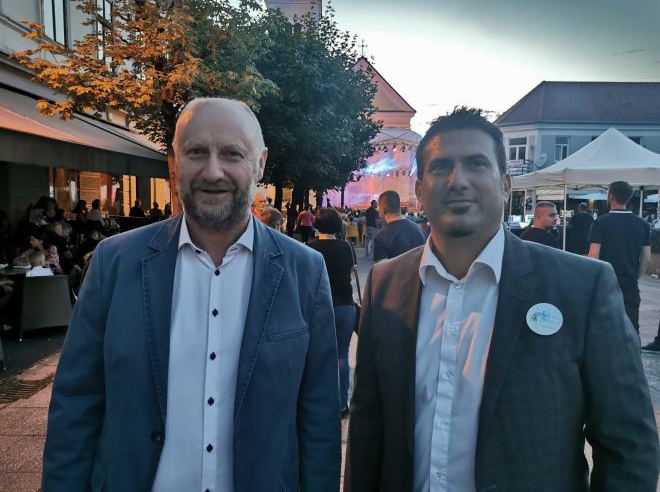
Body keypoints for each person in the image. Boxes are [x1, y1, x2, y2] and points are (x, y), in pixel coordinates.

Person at [346, 107, 659, 492]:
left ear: (505, 185)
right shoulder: (386, 284)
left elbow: (628, 444)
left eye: (476, 164)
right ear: (420, 190)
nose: (458, 181)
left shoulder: (581, 287)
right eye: (441, 167)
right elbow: (367, 426)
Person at [42, 98, 341, 492]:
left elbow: (319, 418)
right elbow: (76, 404)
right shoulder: (114, 263)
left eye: (232, 153)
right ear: (175, 162)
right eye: (197, 152)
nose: (213, 171)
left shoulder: (305, 271)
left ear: (260, 163)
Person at [307, 208, 357, 419]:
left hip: (318, 308)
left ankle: (318, 401)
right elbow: (351, 272)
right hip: (345, 305)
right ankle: (341, 404)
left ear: (316, 224)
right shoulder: (346, 247)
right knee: (341, 356)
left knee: (316, 356)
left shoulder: (309, 248)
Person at [587, 181, 651, 334]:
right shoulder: (642, 224)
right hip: (630, 286)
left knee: (603, 330)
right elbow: (647, 258)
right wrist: (634, 277)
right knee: (632, 329)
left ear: (610, 196)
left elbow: (593, 256)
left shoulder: (600, 222)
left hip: (605, 285)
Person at [373, 190, 426, 261]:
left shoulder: (381, 237)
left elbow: (381, 267)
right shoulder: (421, 231)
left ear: (382, 209)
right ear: (398, 207)